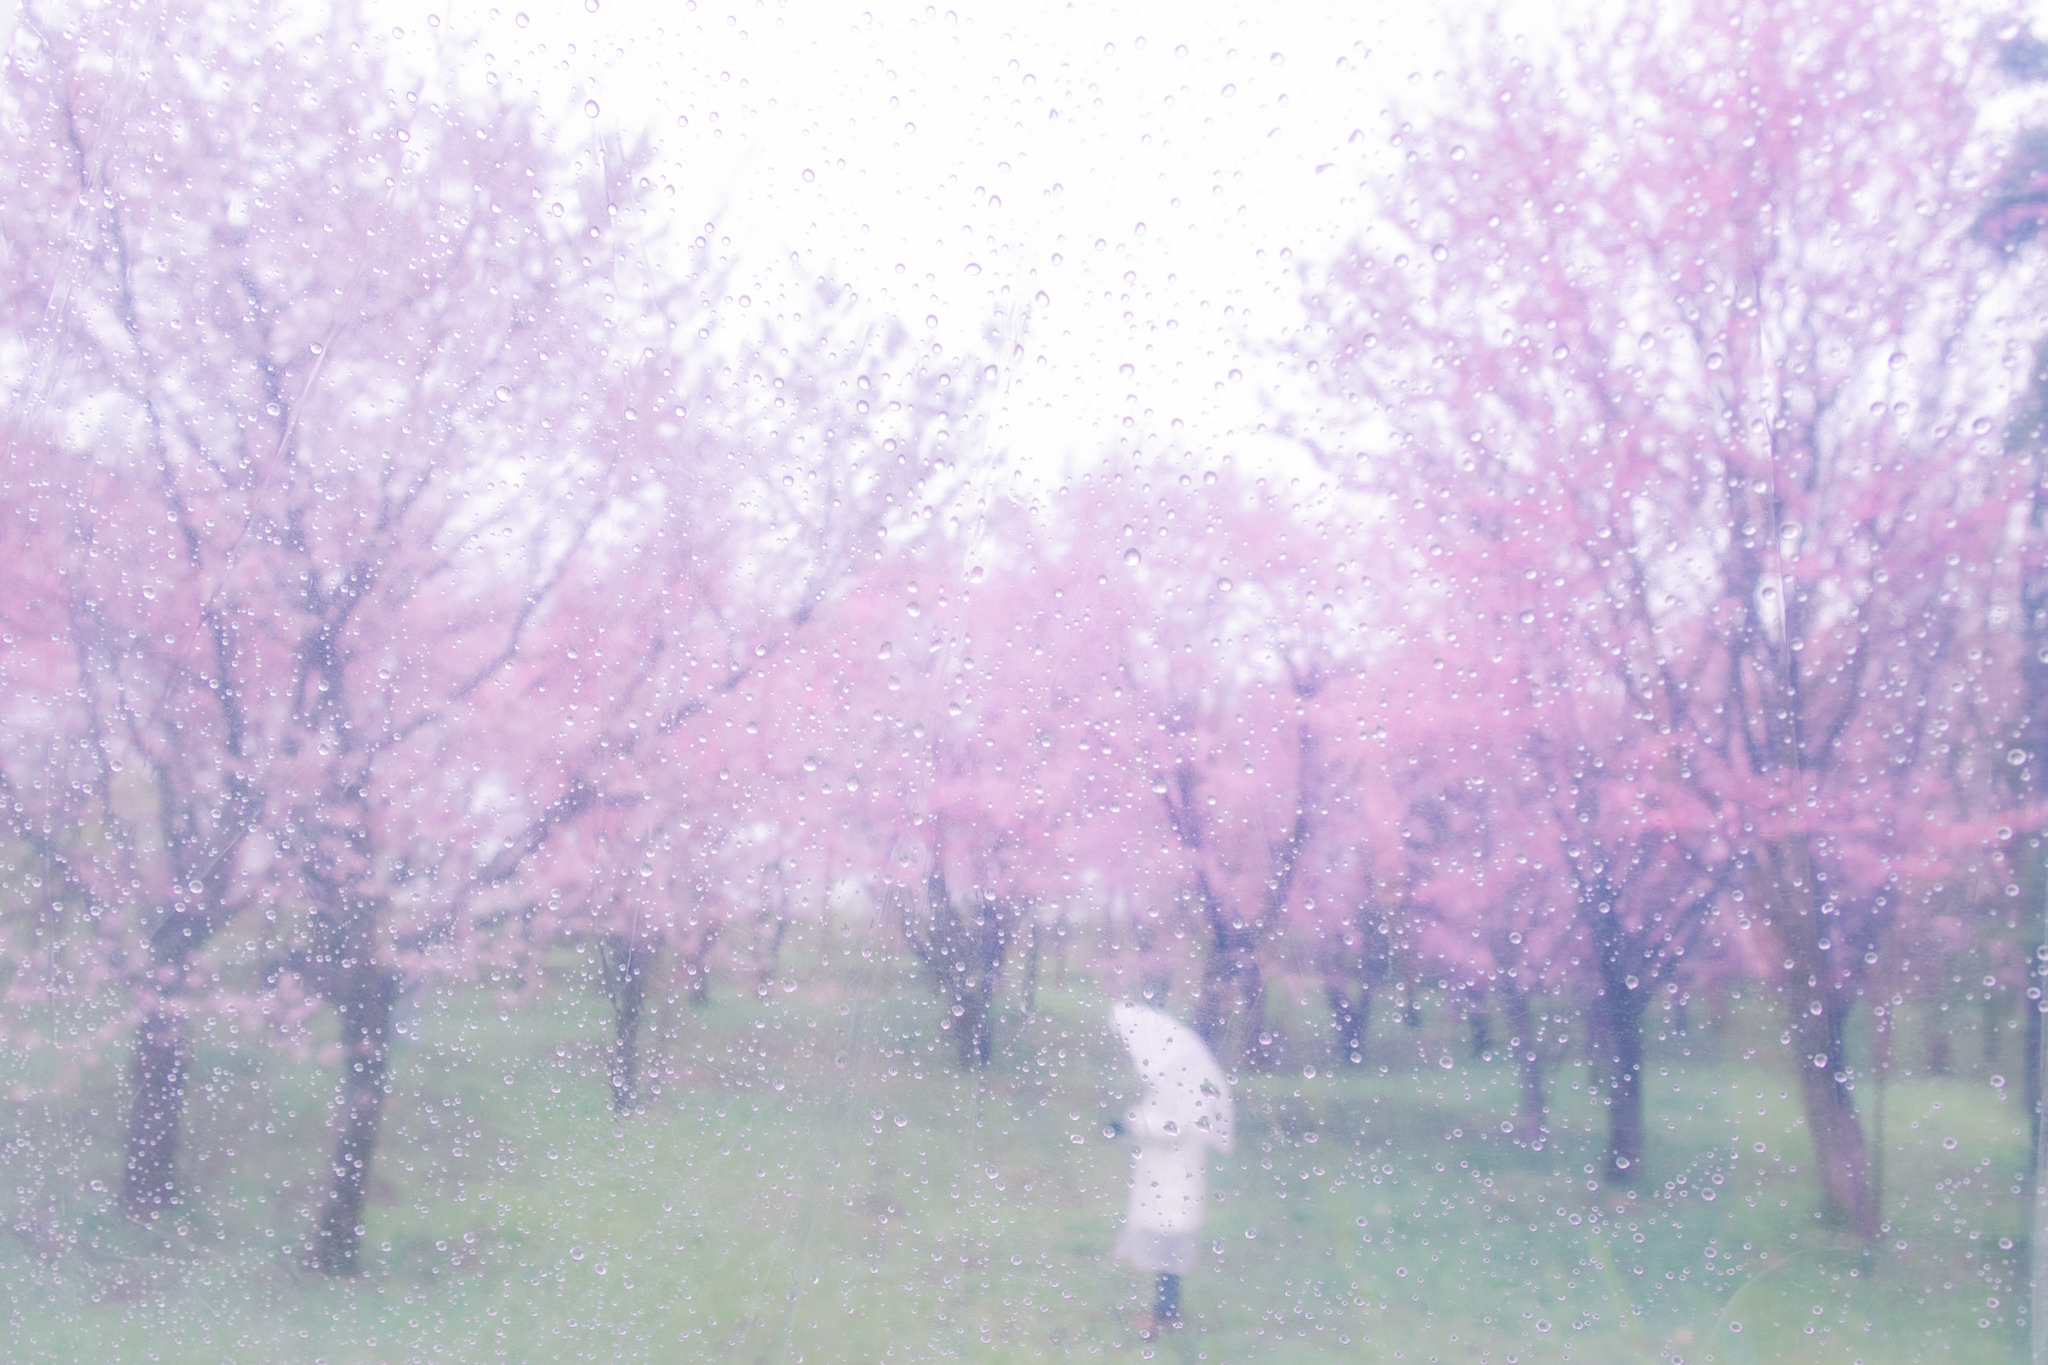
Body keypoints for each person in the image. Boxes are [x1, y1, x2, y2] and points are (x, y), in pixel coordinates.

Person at [1110, 1003, 1232, 1337]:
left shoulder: (1188, 1087)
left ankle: (1165, 1315)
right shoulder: (1169, 1081)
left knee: (1168, 1248)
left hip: (1175, 1181)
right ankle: (1165, 1311)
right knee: (1164, 1248)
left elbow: (1173, 1126)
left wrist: (1129, 1123)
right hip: (1163, 1177)